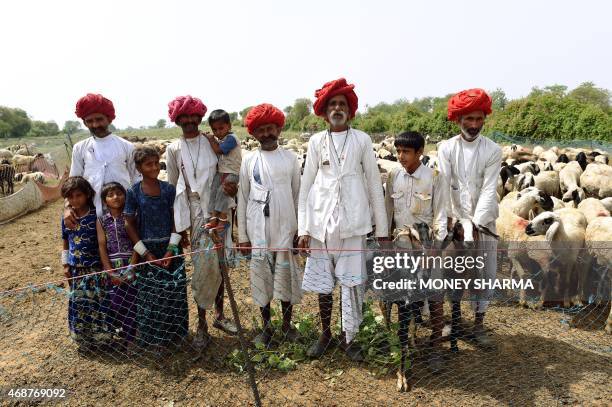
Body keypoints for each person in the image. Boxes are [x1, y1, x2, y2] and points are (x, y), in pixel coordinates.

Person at [297, 78, 388, 361]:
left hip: (353, 223)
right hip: (320, 223)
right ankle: (326, 334)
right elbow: (305, 185)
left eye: (342, 104)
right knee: (324, 285)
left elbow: (374, 185)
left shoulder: (362, 139)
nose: (337, 108)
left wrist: (382, 229)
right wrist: (303, 228)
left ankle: (350, 338)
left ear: (350, 111)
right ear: (324, 112)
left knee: (351, 284)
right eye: (332, 104)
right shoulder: (315, 141)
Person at [165, 96, 238, 350]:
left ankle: (219, 316)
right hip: (195, 214)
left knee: (220, 266)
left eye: (192, 117)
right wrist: (179, 228)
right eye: (183, 118)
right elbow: (174, 188)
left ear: (199, 118)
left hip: (219, 207)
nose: (188, 121)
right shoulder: (174, 149)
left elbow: (228, 171)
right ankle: (202, 325)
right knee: (202, 267)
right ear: (177, 120)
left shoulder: (212, 142)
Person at [437, 88, 502, 349]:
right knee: (448, 271)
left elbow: (489, 189)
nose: (474, 125)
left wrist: (475, 223)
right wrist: (451, 221)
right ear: (458, 119)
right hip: (454, 222)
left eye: (478, 119)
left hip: (483, 224)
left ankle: (478, 324)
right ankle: (448, 322)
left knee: (484, 272)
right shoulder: (446, 148)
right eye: (469, 120)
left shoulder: (492, 150)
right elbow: (443, 184)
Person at [382, 131, 447, 378]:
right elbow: (388, 211)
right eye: (398, 151)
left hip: (427, 246)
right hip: (400, 246)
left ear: (420, 153)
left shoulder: (434, 178)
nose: (400, 156)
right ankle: (403, 343)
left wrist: (435, 247)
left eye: (406, 152)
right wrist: (386, 242)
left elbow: (440, 214)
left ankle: (435, 347)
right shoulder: (393, 176)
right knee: (402, 297)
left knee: (435, 294)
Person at [237, 104, 303, 347]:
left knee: (286, 280)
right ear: (254, 134)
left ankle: (287, 326)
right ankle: (266, 328)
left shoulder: (291, 158)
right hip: (258, 232)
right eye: (261, 130)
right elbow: (242, 197)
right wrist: (243, 236)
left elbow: (299, 196)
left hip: (286, 229)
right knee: (262, 281)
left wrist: (300, 231)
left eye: (270, 128)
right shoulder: (249, 161)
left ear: (278, 129)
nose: (266, 134)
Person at [124, 146, 188, 353]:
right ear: (139, 168)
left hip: (170, 248)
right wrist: (146, 254)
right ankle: (155, 340)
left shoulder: (169, 190)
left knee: (174, 292)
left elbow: (175, 220)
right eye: (147, 164)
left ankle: (177, 336)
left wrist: (171, 250)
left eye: (155, 163)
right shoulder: (133, 192)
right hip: (148, 251)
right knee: (151, 297)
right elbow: (129, 224)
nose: (153, 168)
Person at [67, 93, 138, 226]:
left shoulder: (126, 146)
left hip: (124, 211)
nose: (95, 125)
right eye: (89, 121)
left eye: (99, 119)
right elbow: (73, 183)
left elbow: (136, 179)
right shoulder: (80, 148)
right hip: (91, 213)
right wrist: (68, 207)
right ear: (84, 122)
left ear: (109, 119)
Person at [61, 176, 112, 351]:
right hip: (76, 269)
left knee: (98, 302)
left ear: (87, 195)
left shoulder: (95, 217)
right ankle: (84, 340)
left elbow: (101, 244)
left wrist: (106, 268)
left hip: (95, 268)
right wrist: (65, 264)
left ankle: (103, 339)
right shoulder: (67, 218)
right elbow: (65, 241)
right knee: (80, 303)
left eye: (79, 195)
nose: (75, 200)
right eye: (71, 197)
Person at [96, 182, 139, 349]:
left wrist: (132, 267)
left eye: (119, 193)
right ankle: (124, 334)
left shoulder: (131, 216)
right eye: (110, 194)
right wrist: (109, 271)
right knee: (116, 302)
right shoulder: (102, 220)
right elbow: (101, 245)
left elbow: (136, 241)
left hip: (130, 265)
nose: (116, 197)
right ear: (105, 200)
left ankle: (132, 339)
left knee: (132, 302)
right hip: (113, 267)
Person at [203, 109, 242, 241]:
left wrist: (210, 139)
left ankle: (223, 218)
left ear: (229, 126)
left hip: (232, 172)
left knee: (222, 190)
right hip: (222, 171)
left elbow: (218, 150)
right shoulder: (221, 138)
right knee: (214, 189)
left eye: (221, 128)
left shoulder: (231, 139)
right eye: (214, 130)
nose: (218, 132)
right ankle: (213, 216)